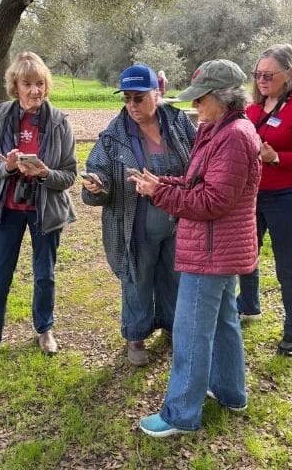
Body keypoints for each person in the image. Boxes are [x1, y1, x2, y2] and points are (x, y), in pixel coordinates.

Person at [132, 59, 262, 437]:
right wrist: (163, 183)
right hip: (217, 250)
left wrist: (161, 194)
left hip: (211, 252)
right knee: (223, 324)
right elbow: (197, 181)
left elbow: (211, 202)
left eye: (201, 99)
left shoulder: (234, 136)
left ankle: (180, 414)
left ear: (222, 98)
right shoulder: (219, 129)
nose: (195, 107)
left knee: (190, 334)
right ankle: (230, 392)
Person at [0, 51, 77, 372]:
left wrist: (44, 173)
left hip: (45, 211)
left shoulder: (59, 122)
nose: (35, 90)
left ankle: (44, 330)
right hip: (7, 210)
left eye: (40, 83)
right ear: (15, 85)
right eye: (28, 83)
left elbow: (69, 174)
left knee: (44, 276)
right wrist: (7, 167)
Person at [81, 64, 195, 366]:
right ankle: (136, 335)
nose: (132, 105)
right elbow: (99, 172)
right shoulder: (114, 136)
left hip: (177, 222)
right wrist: (97, 187)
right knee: (138, 278)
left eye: (139, 98)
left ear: (156, 94)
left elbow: (197, 161)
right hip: (137, 226)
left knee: (174, 276)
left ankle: (172, 325)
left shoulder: (179, 122)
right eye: (127, 98)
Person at [236, 43, 292, 356]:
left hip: (289, 196)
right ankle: (248, 305)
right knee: (246, 254)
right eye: (258, 74)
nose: (261, 80)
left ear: (288, 75)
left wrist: (277, 158)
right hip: (254, 194)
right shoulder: (253, 107)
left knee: (289, 265)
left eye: (268, 75)